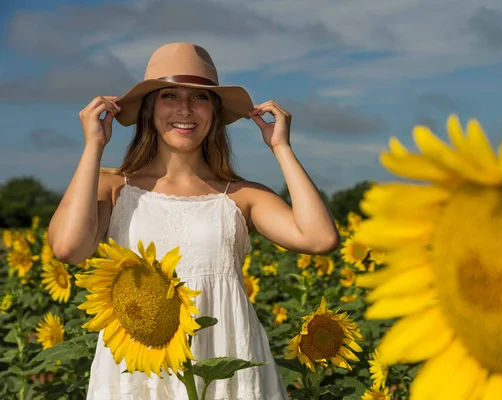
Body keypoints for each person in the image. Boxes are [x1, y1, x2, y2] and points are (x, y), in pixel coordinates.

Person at [48, 42, 340, 400]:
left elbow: (319, 238)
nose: (185, 109)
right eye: (169, 95)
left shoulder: (240, 196)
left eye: (200, 98)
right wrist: (94, 146)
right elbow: (68, 247)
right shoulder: (114, 188)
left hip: (227, 363)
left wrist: (281, 147)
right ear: (150, 109)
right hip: (139, 365)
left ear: (214, 112)